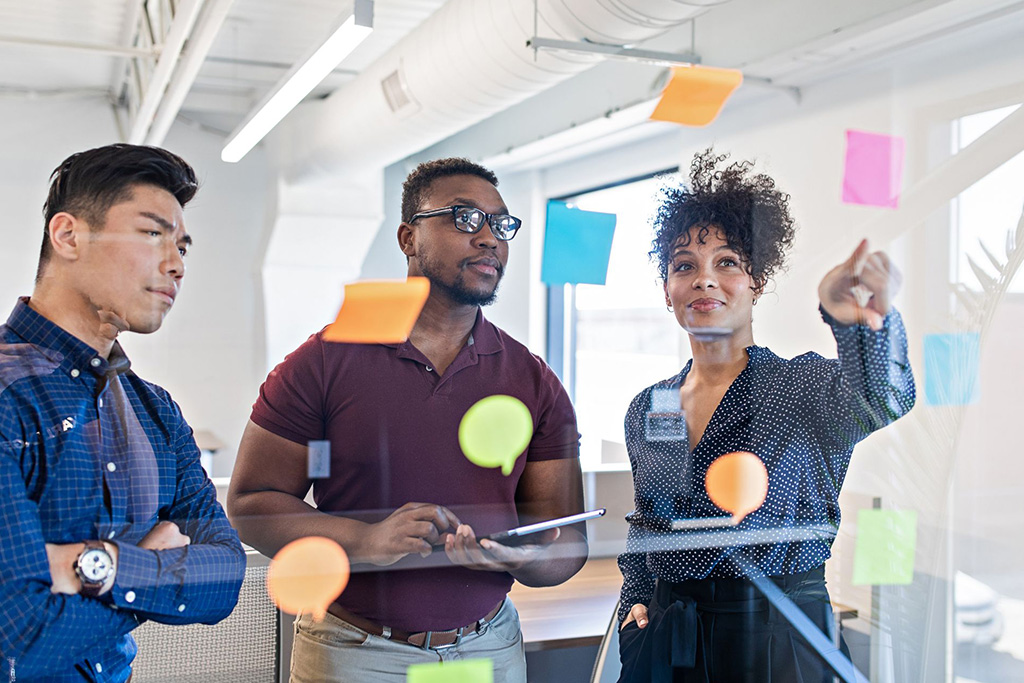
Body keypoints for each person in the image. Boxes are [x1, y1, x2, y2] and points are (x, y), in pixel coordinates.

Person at [228, 157, 587, 682]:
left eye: (501, 224)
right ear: (408, 237)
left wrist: (515, 558)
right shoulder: (324, 361)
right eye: (465, 218)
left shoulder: (532, 379)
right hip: (357, 651)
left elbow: (566, 546)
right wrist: (366, 540)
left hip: (485, 648)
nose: (489, 237)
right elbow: (250, 505)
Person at [616, 150, 916, 682]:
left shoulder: (802, 386)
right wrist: (636, 599)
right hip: (671, 639)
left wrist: (847, 321)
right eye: (685, 265)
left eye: (727, 262)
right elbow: (647, 522)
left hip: (779, 639)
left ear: (757, 281)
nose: (705, 280)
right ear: (667, 290)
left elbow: (887, 398)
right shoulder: (652, 406)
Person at [0, 144, 246, 682]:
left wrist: (95, 565)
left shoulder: (153, 410)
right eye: (152, 233)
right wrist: (153, 571)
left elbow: (225, 577)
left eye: (182, 245)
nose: (177, 263)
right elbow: (16, 635)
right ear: (68, 236)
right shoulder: (6, 396)